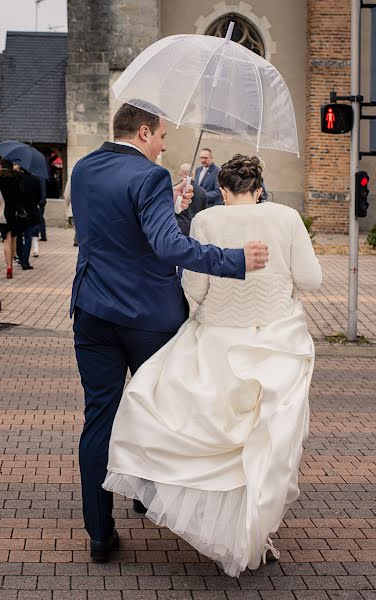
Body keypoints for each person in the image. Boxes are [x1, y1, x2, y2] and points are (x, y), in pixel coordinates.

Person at [104, 154, 322, 577]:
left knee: (219, 439)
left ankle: (224, 528)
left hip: (218, 342)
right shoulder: (287, 217)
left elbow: (195, 287)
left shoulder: (206, 221)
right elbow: (311, 279)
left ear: (222, 190)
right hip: (276, 343)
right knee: (264, 443)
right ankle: (255, 531)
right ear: (259, 188)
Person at [70, 104, 269, 563]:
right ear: (143, 132)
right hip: (148, 319)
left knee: (99, 418)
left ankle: (100, 533)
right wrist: (234, 260)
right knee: (159, 413)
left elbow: (117, 230)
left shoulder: (84, 168)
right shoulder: (150, 177)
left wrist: (170, 207)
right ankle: (152, 501)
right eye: (161, 135)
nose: (163, 143)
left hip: (93, 312)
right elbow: (166, 247)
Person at [0, 160, 22, 279]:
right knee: (13, 238)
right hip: (15, 211)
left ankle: (8, 266)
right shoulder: (17, 176)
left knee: (6, 240)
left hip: (2, 211)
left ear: (1, 166)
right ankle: (12, 261)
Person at [16, 168, 42, 270]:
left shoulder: (17, 179)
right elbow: (39, 197)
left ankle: (20, 257)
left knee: (18, 236)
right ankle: (25, 261)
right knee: (28, 237)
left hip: (19, 211)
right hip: (31, 211)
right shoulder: (35, 180)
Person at [175, 162, 207, 236]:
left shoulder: (174, 191)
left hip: (179, 229)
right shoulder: (202, 192)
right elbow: (204, 211)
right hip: (196, 229)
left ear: (179, 173)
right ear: (193, 173)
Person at [64, 177, 78, 246]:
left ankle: (77, 239)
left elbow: (67, 196)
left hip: (74, 209)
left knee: (77, 227)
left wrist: (67, 206)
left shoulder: (71, 180)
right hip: (86, 209)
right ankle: (77, 239)